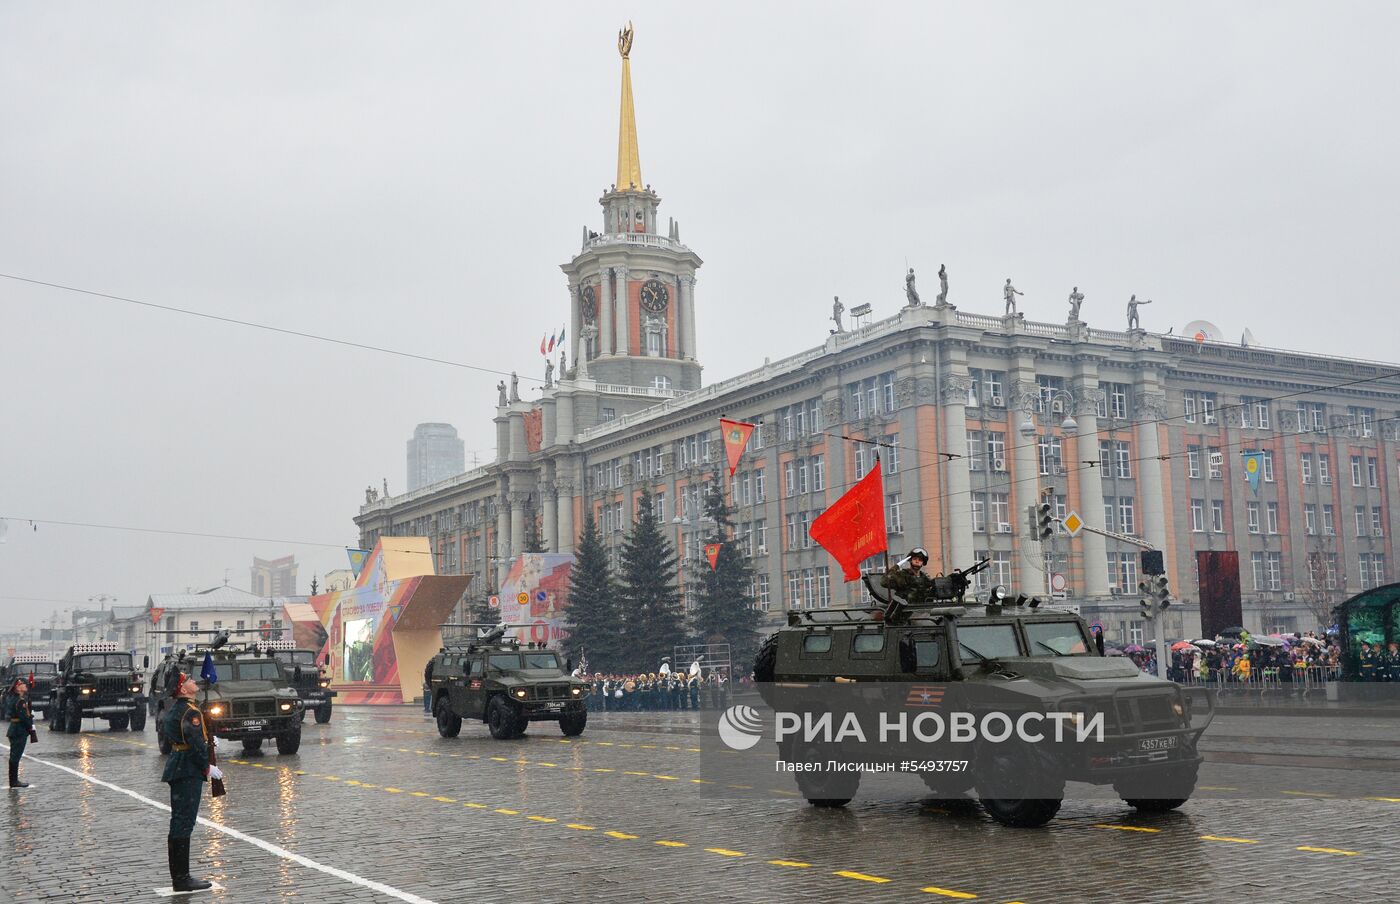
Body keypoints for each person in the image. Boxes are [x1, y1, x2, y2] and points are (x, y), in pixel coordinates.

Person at [162, 675, 217, 892]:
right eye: (188, 680)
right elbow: (194, 744)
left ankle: (179, 876)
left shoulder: (176, 709)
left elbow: (184, 737)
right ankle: (182, 878)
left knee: (178, 821)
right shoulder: (191, 712)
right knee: (184, 822)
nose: (194, 680)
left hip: (178, 766)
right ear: (183, 690)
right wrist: (206, 766)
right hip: (187, 769)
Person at [5, 677, 36, 789]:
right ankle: (14, 781)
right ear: (18, 687)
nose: (26, 685)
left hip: (15, 729)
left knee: (14, 755)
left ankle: (13, 780)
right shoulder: (20, 701)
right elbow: (23, 717)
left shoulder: (13, 699)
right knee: (15, 756)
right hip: (19, 730)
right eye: (23, 684)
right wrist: (30, 728)